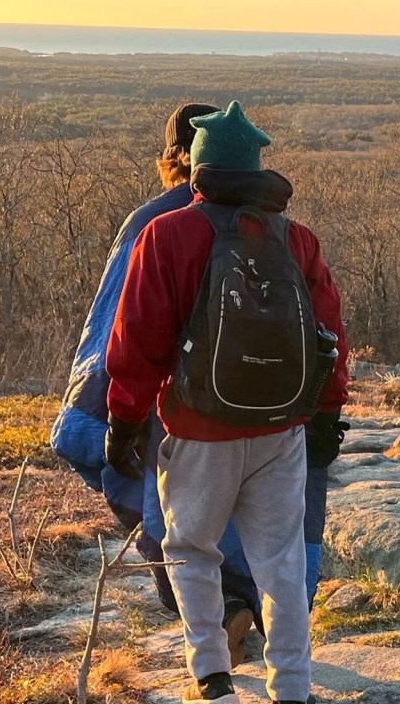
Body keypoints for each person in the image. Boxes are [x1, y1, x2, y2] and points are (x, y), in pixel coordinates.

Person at [51, 104, 343, 649]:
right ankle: (289, 674)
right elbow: (327, 331)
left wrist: (117, 419)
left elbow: (127, 335)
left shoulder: (157, 225)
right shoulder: (289, 233)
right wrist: (328, 410)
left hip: (189, 420)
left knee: (179, 527)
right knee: (279, 541)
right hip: (280, 420)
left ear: (173, 159)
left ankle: (212, 654)